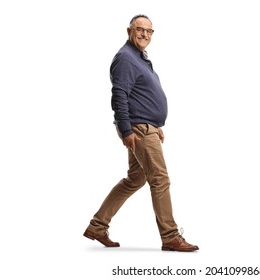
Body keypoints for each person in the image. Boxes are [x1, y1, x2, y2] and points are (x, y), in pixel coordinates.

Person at [83, 14, 199, 252]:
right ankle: (170, 236)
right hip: (138, 130)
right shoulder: (125, 58)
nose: (145, 34)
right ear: (129, 31)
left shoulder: (139, 58)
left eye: (149, 31)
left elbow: (141, 95)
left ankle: (97, 226)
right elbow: (119, 96)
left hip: (147, 127)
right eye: (140, 29)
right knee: (160, 179)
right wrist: (126, 129)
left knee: (135, 178)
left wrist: (155, 123)